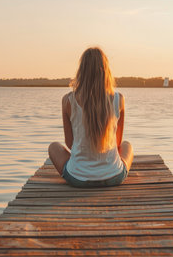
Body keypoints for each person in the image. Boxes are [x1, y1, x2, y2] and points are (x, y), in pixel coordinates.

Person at [48, 47, 134, 187]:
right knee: (127, 145)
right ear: (106, 71)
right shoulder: (119, 99)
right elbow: (117, 144)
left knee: (53, 147)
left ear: (81, 71)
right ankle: (104, 167)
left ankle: (82, 167)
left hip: (78, 179)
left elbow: (70, 144)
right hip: (114, 176)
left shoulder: (68, 101)